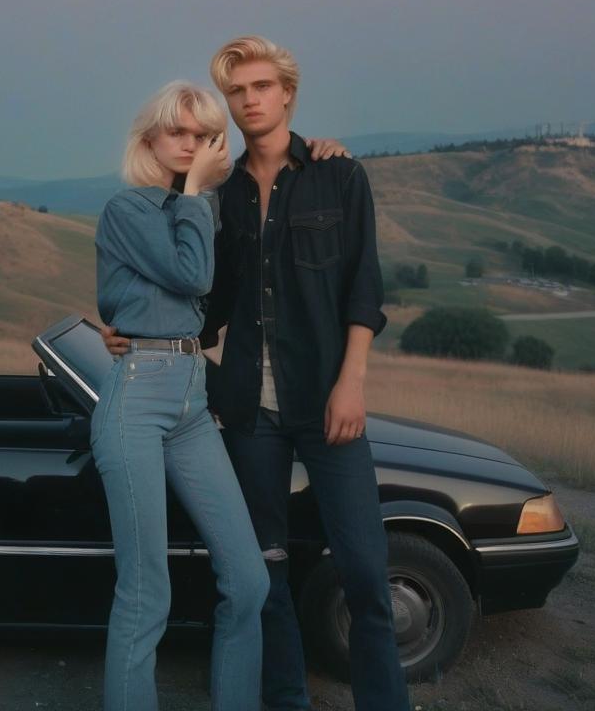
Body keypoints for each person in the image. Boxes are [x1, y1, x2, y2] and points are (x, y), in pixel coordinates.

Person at [105, 38, 409, 711]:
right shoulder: (222, 196)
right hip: (248, 418)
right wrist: (130, 325)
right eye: (239, 91)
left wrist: (351, 382)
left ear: (287, 94)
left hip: (328, 405)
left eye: (263, 86)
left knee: (364, 575)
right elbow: (206, 304)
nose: (251, 100)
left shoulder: (338, 174)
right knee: (263, 575)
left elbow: (364, 289)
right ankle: (285, 701)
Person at [90, 80, 269, 711]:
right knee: (145, 591)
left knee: (249, 579)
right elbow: (190, 274)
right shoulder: (128, 210)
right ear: (151, 139)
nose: (191, 145)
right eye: (178, 133)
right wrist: (198, 192)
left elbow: (204, 298)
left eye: (203, 135)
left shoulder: (192, 208)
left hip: (192, 401)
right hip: (136, 400)